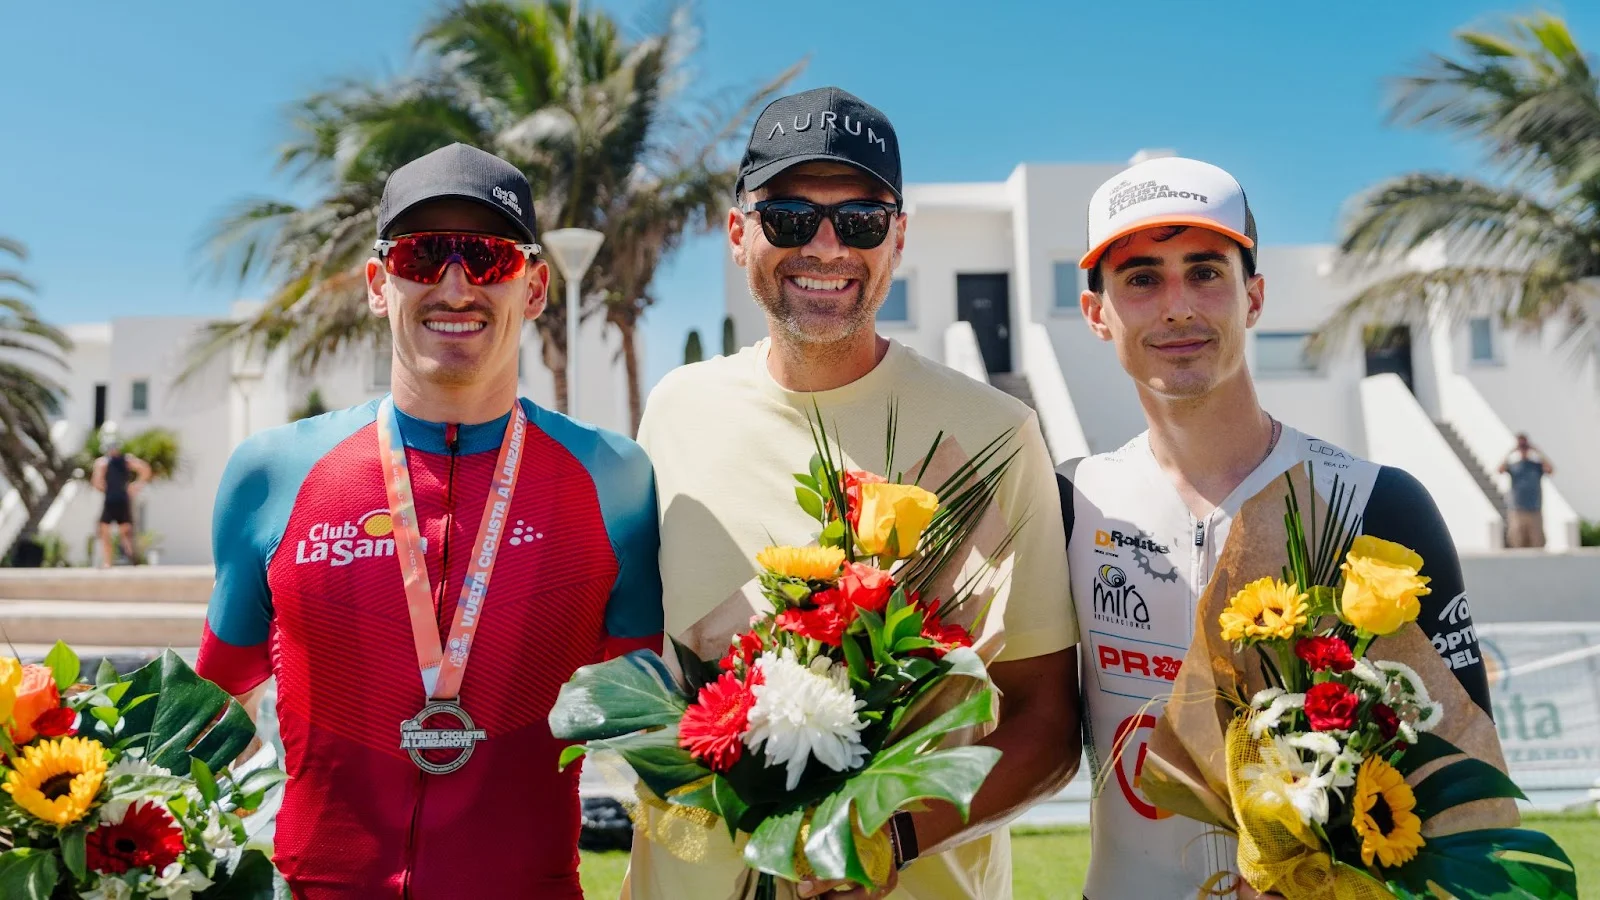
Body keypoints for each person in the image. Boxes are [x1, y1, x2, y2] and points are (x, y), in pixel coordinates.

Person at [629, 87, 1082, 900]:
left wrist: (886, 840)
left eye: (862, 221)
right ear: (740, 234)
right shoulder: (674, 411)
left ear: (898, 238)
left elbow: (1045, 722)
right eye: (791, 219)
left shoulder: (997, 433)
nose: (828, 248)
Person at [195, 143, 663, 900]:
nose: (453, 284)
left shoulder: (614, 479)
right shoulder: (271, 473)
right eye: (423, 255)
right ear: (381, 284)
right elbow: (211, 718)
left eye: (486, 258)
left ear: (535, 286)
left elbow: (655, 719)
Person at [1059, 156, 1496, 899]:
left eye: (1206, 273)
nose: (1177, 306)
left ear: (1252, 298)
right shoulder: (1071, 500)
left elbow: (1465, 778)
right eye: (1141, 278)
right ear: (1097, 313)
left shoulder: (1377, 501)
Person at [90, 430, 151, 567]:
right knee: (107, 531)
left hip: (118, 500)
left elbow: (145, 469)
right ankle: (109, 562)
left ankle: (130, 560)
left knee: (124, 532)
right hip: (115, 500)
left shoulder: (123, 461)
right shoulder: (108, 463)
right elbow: (96, 481)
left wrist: (137, 485)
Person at [1499, 432, 1553, 548]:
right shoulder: (1514, 465)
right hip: (1517, 510)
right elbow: (1500, 470)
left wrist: (1538, 452)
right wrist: (1510, 452)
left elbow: (1550, 469)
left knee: (1537, 542)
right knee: (1517, 542)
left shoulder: (1536, 465)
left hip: (1534, 510)